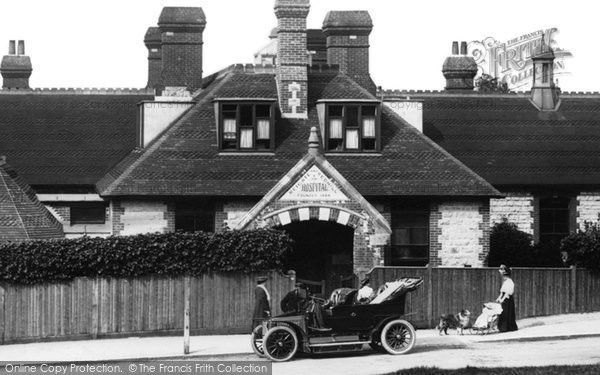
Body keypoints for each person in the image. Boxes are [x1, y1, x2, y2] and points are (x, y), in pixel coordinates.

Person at [496, 264, 518, 332]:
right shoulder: (505, 282)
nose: (503, 277)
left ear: (506, 275)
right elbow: (502, 292)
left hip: (508, 299)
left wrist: (502, 299)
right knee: (502, 313)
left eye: (504, 276)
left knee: (507, 313)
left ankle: (508, 328)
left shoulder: (510, 282)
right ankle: (502, 327)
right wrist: (498, 298)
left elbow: (507, 293)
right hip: (504, 299)